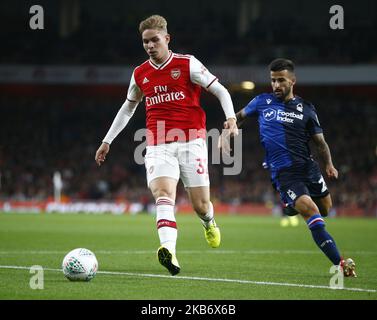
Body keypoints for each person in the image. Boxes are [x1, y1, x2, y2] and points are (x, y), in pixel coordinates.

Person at [95, 15, 238, 276]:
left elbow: (221, 91)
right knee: (163, 194)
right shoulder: (140, 73)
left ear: (167, 39)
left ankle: (209, 223)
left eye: (154, 40)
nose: (150, 46)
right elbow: (128, 108)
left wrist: (230, 119)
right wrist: (107, 140)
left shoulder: (187, 63)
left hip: (192, 141)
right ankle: (168, 250)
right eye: (145, 42)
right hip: (157, 143)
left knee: (201, 206)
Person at [231, 58, 356, 277]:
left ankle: (291, 206)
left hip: (309, 168)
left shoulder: (306, 109)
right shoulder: (261, 102)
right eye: (273, 80)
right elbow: (238, 118)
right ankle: (341, 263)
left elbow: (320, 142)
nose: (276, 85)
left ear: (292, 81)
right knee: (311, 210)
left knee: (325, 209)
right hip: (284, 173)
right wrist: (229, 130)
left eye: (281, 80)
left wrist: (329, 164)